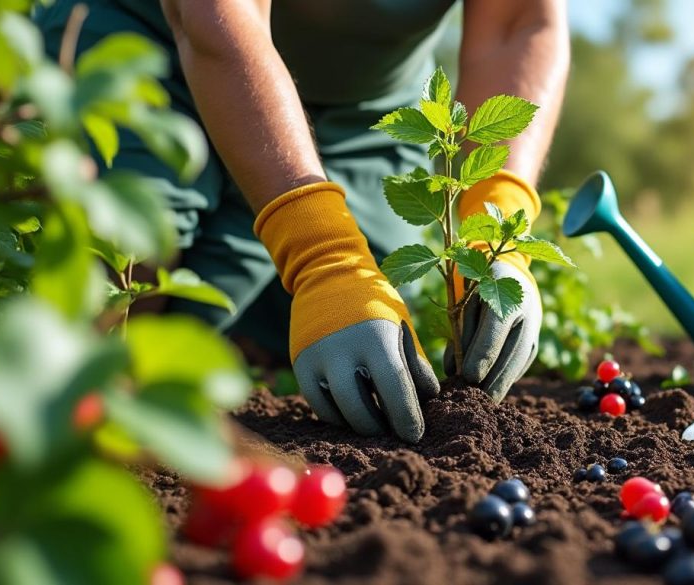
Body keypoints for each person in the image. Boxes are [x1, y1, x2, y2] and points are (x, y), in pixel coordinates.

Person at [34, 0, 569, 443]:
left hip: (363, 112)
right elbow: (215, 14)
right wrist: (321, 253)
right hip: (149, 40)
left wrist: (496, 222)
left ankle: (239, 298)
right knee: (125, 283)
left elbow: (520, 20)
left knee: (373, 345)